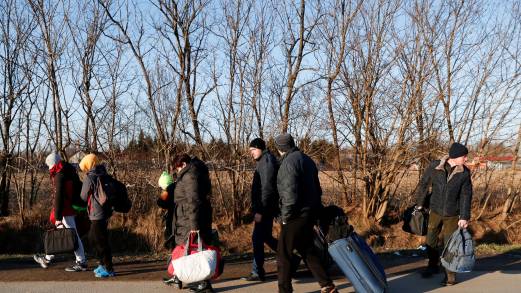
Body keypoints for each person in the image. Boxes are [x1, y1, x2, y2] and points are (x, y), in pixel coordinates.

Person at [274, 133, 337, 293]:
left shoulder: (288, 163)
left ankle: (285, 290)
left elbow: (289, 194)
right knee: (308, 251)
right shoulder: (307, 159)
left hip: (295, 216)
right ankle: (327, 286)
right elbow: (318, 189)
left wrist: (285, 217)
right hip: (310, 213)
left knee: (283, 256)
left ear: (280, 148)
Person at [416, 142, 473, 286]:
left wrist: (464, 216)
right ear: (454, 156)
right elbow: (424, 184)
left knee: (450, 244)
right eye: (464, 156)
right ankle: (432, 265)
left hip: (453, 214)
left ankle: (450, 275)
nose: (466, 159)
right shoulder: (435, 166)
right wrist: (420, 203)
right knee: (430, 240)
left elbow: (466, 195)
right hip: (434, 210)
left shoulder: (464, 172)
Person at [33, 153, 88, 272]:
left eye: (50, 166)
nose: (49, 169)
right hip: (70, 207)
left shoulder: (59, 175)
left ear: (53, 165)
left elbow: (59, 197)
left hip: (65, 209)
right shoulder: (69, 170)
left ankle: (81, 262)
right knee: (62, 234)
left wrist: (58, 216)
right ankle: (47, 259)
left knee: (72, 235)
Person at [171, 154, 214, 293]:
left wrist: (194, 226)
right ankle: (198, 281)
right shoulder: (193, 173)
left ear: (182, 164)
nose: (177, 171)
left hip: (190, 220)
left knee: (195, 251)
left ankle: (204, 283)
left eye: (177, 167)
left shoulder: (189, 176)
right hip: (188, 218)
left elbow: (193, 201)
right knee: (192, 250)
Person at [241, 138, 279, 282]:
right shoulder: (263, 161)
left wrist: (260, 211)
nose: (251, 153)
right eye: (250, 151)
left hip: (265, 208)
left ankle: (257, 272)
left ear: (260, 148)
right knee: (265, 237)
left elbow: (267, 189)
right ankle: (291, 258)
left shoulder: (267, 162)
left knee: (257, 238)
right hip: (265, 207)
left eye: (253, 150)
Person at [79, 153, 115, 278]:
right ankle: (102, 264)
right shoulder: (103, 173)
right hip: (105, 212)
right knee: (98, 239)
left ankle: (108, 268)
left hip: (96, 213)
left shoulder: (90, 177)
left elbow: (83, 196)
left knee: (99, 241)